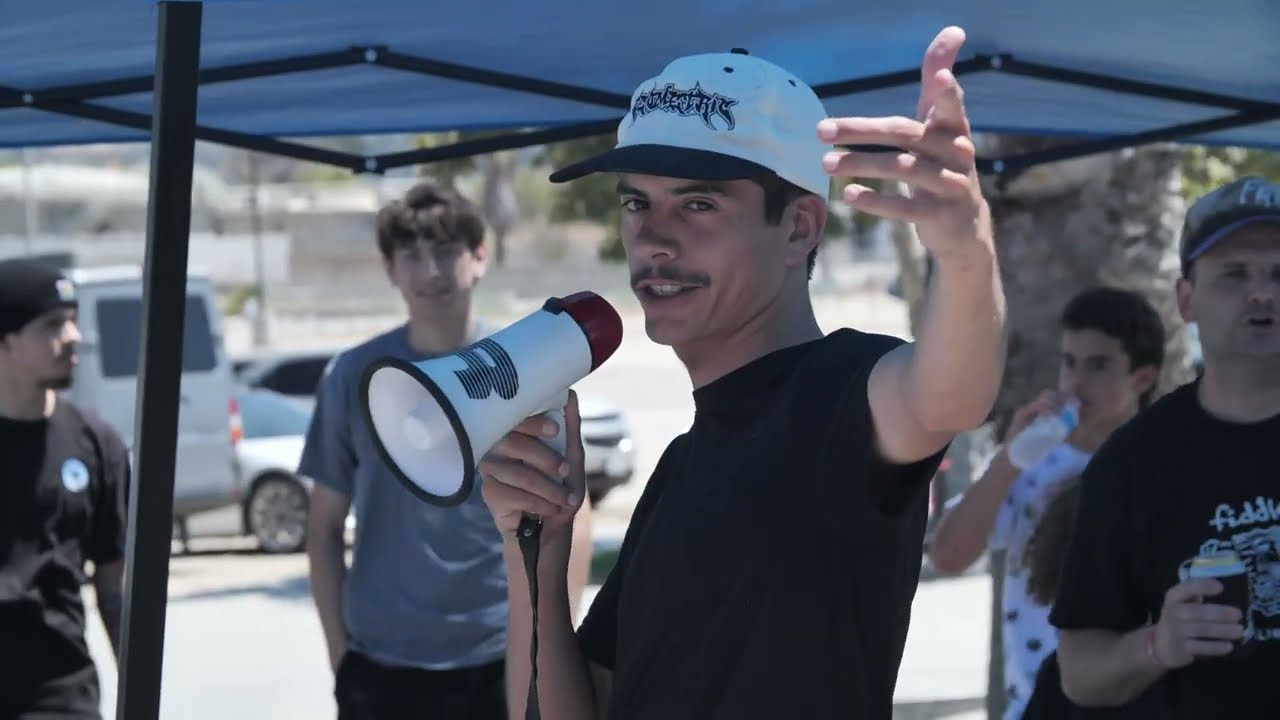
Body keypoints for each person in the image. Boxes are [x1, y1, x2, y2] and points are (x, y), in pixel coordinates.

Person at [478, 26, 1007, 719]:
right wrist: (538, 552)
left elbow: (948, 398)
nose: (653, 238)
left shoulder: (841, 389)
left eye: (697, 204)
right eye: (637, 202)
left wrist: (966, 250)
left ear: (799, 228)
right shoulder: (681, 465)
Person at [299, 181, 595, 720]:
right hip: (380, 664)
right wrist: (341, 659)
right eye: (411, 255)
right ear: (389, 270)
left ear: (479, 257)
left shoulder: (525, 365)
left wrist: (545, 651)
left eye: (445, 251)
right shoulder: (351, 377)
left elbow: (572, 509)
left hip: (497, 656)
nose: (430, 270)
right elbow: (323, 529)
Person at [1050, 175, 1280, 719]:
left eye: (1279, 273)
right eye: (1234, 274)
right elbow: (1079, 671)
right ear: (1186, 300)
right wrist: (1157, 644)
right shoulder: (1133, 462)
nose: (1262, 293)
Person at [927, 285, 1166, 719]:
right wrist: (1009, 459)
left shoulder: (1161, 469)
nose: (1076, 382)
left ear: (1142, 378)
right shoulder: (1033, 461)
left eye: (1098, 366)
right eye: (1068, 362)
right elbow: (948, 555)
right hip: (1032, 705)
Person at [0, 257, 129, 720]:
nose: (74, 336)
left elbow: (113, 585)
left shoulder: (96, 444)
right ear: (6, 341)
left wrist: (138, 693)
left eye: (72, 321)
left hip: (62, 696)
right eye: (52, 325)